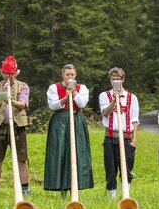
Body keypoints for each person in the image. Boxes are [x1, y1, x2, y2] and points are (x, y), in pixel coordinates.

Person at [44, 64, 93, 198]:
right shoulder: (53, 88)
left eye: (72, 75)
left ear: (75, 75)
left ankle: (75, 187)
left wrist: (74, 92)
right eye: (67, 75)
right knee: (61, 152)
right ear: (62, 75)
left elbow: (82, 104)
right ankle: (62, 187)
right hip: (60, 120)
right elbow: (52, 105)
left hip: (77, 120)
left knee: (77, 152)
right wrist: (65, 98)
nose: (69, 77)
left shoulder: (82, 88)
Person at [0, 56, 30, 195]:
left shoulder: (23, 86)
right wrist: (2, 95)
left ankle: (25, 189)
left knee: (21, 159)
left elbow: (22, 105)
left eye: (11, 74)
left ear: (15, 73)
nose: (8, 76)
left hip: (18, 126)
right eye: (6, 73)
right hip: (0, 126)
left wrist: (11, 100)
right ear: (2, 73)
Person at [99, 67, 139, 199]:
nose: (115, 81)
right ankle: (112, 197)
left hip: (127, 136)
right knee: (110, 167)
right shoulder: (104, 95)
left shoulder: (131, 97)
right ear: (110, 80)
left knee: (126, 167)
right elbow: (105, 113)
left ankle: (126, 197)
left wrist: (134, 140)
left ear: (123, 80)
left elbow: (134, 120)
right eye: (113, 79)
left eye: (118, 79)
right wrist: (114, 99)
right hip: (110, 135)